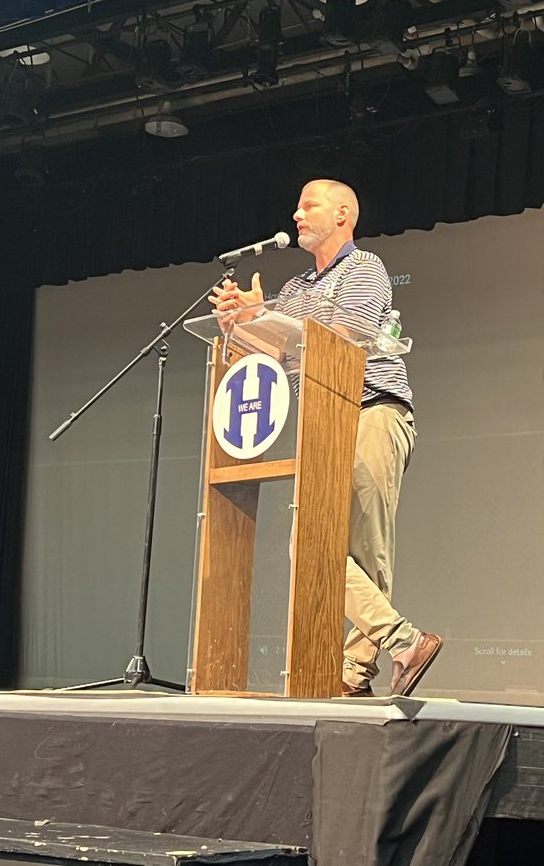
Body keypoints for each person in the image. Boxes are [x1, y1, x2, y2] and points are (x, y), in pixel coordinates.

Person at [208, 178, 442, 697]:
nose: (296, 214)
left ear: (342, 216)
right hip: (322, 422)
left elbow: (345, 332)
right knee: (309, 544)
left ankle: (355, 674)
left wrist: (267, 315)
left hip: (374, 411)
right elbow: (270, 356)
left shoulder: (366, 268)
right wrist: (239, 323)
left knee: (365, 547)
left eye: (307, 205)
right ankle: (403, 643)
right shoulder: (292, 291)